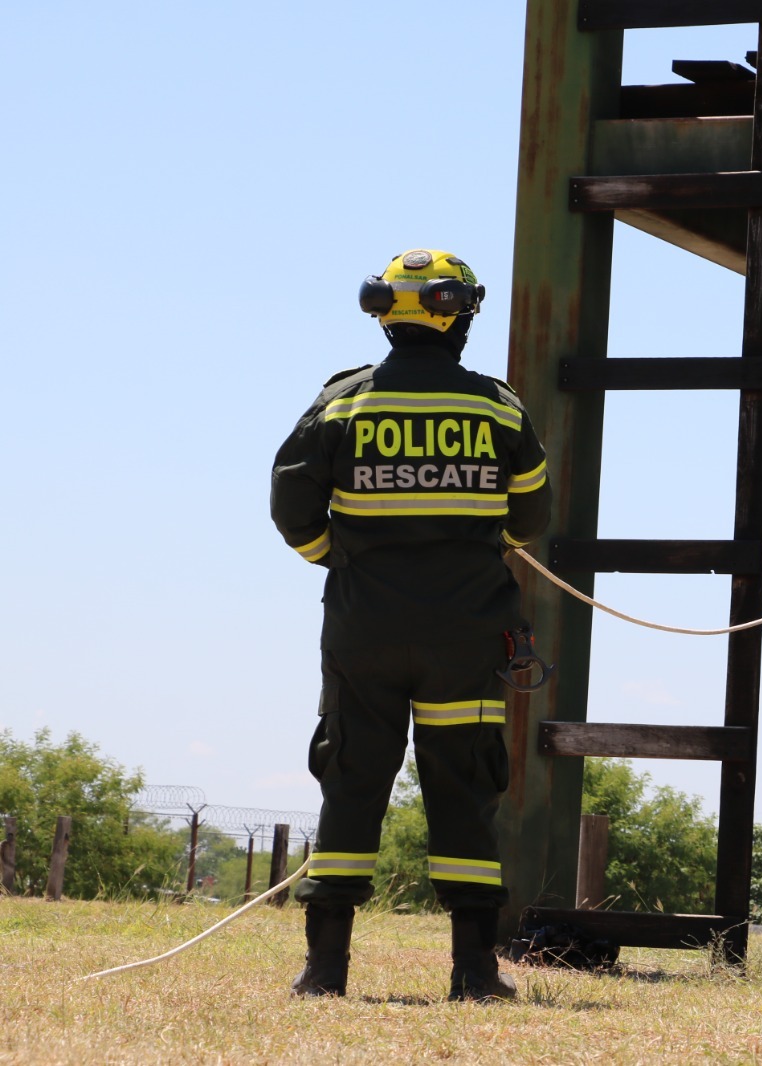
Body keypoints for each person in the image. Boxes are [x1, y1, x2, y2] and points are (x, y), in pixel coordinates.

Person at [270, 248, 551, 1000]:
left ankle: (324, 971)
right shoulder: (497, 407)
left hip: (363, 631)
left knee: (352, 781)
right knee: (465, 787)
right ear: (459, 315)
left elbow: (291, 505)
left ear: (384, 314)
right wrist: (473, 554)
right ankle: (476, 973)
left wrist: (343, 560)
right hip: (467, 636)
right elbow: (530, 519)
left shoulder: (342, 402)